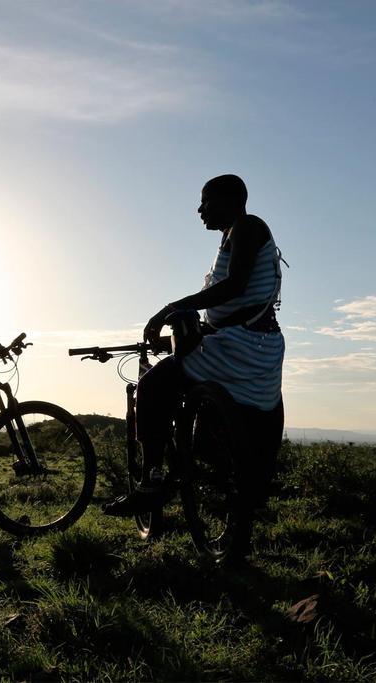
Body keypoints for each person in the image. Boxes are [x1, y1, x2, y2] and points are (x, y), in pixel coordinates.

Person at [105, 174, 285, 555]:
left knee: (154, 386)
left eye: (206, 201)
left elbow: (234, 286)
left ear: (231, 200)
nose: (200, 209)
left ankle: (152, 481)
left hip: (240, 347)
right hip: (259, 350)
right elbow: (236, 295)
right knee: (199, 407)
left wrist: (175, 307)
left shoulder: (248, 227)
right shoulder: (237, 234)